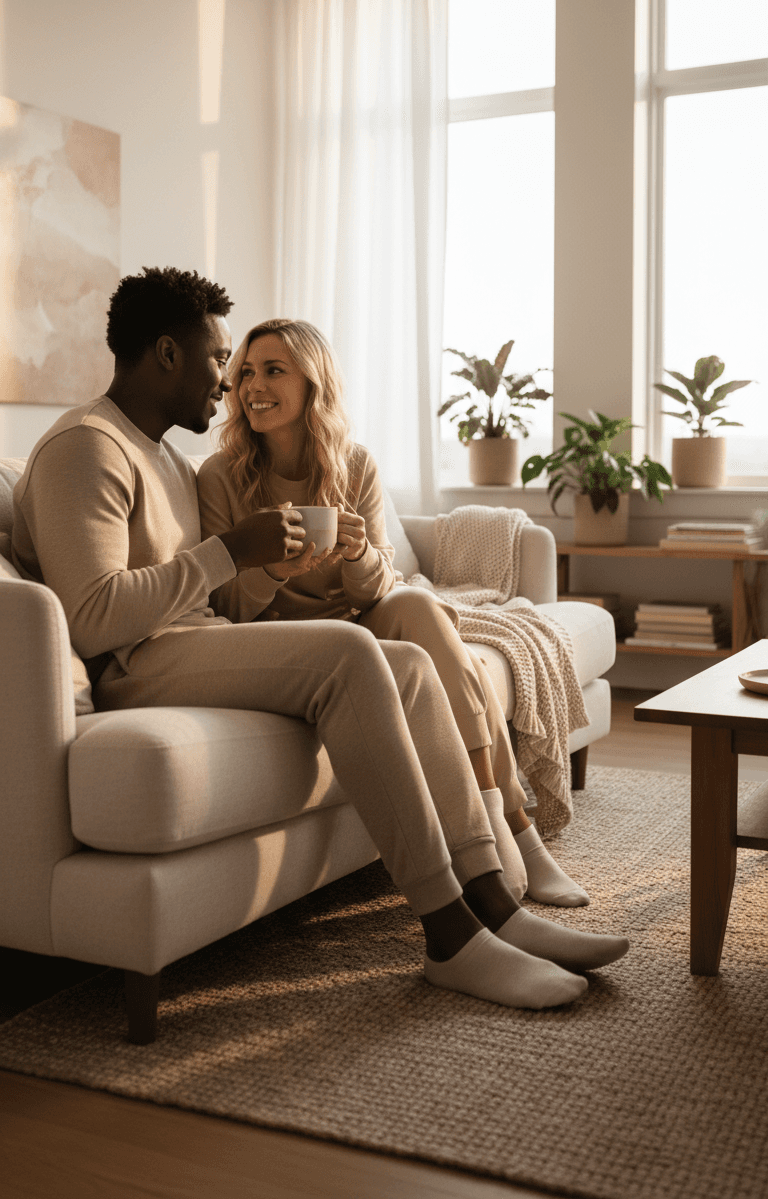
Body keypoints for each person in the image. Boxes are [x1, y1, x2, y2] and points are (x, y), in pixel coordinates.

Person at [12, 268, 628, 1014]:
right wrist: (235, 552)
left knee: (402, 660)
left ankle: (495, 902)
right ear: (168, 354)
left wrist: (256, 563)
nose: (227, 383)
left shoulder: (164, 454)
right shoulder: (86, 447)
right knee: (350, 652)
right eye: (218, 360)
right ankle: (449, 935)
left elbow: (220, 596)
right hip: (136, 664)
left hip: (188, 643)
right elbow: (92, 617)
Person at [198, 318, 591, 910]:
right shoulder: (220, 476)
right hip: (282, 641)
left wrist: (355, 554)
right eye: (246, 372)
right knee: (417, 622)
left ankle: (513, 827)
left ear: (313, 382)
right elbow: (223, 603)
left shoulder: (353, 465)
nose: (252, 385)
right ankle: (509, 838)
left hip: (357, 621)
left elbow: (380, 582)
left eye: (274, 370)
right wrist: (275, 569)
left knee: (415, 603)